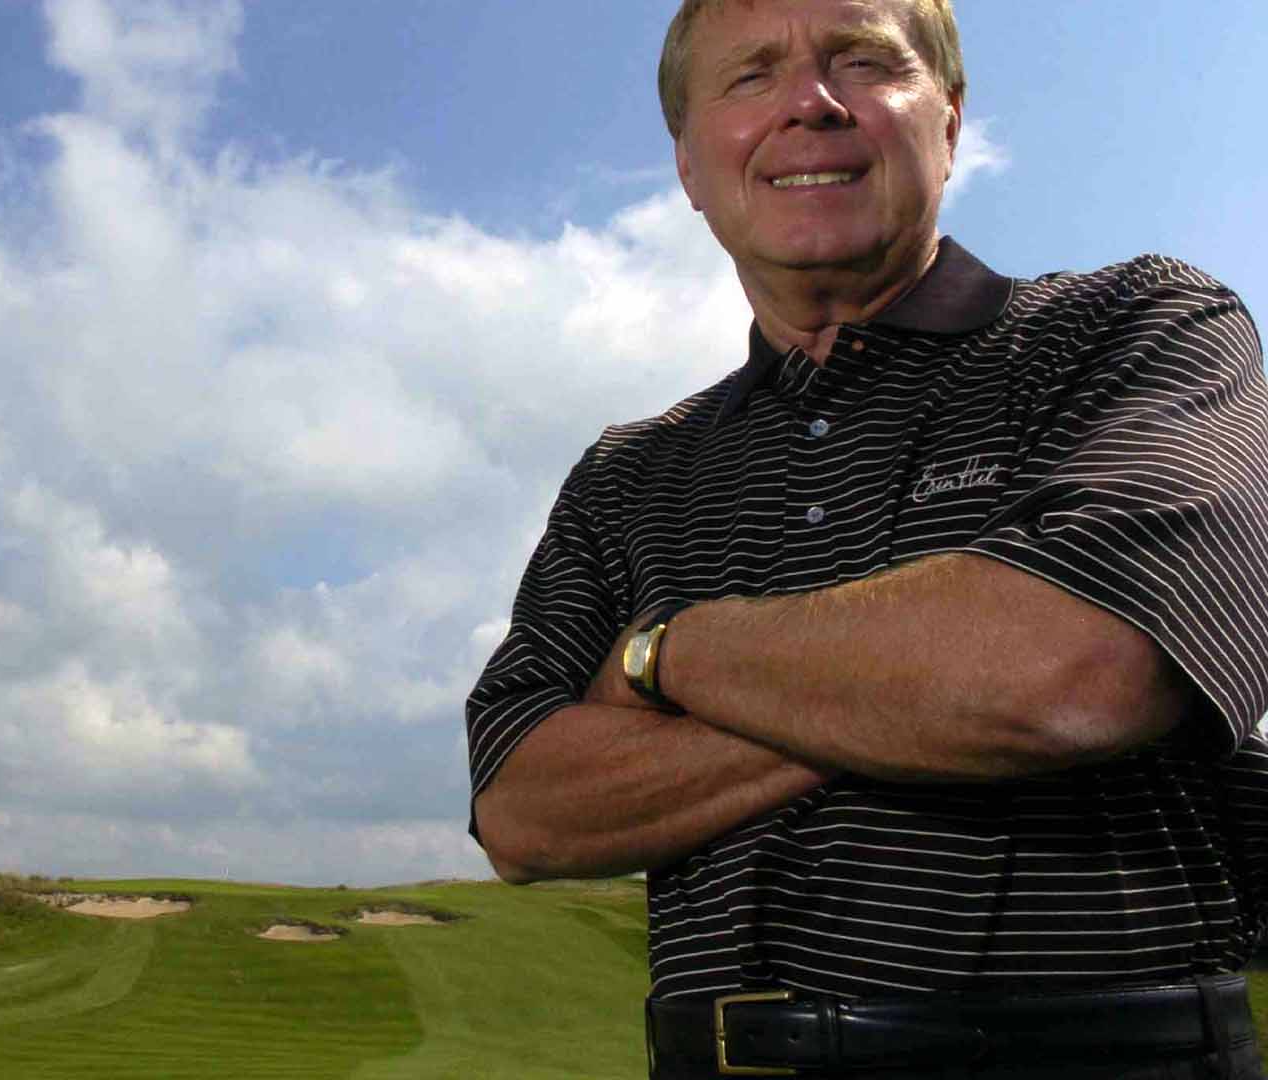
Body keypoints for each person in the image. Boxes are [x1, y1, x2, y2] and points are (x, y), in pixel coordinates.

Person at [463, 1, 1268, 1077]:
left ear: (949, 119)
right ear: (691, 167)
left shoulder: (1142, 325)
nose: (809, 103)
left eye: (863, 62)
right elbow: (522, 809)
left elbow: (1075, 672)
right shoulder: (629, 470)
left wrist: (671, 656)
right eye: (749, 77)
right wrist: (918, 685)